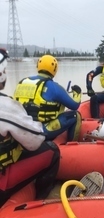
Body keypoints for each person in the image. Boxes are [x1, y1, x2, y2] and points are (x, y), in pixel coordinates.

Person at [0, 48, 60, 207]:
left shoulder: (21, 85)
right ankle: (40, 200)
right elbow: (35, 141)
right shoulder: (6, 107)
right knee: (52, 150)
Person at [13, 54, 82, 142]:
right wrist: (77, 94)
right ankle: (72, 147)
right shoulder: (54, 87)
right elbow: (74, 105)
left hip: (20, 127)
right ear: (55, 69)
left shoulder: (22, 82)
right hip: (41, 130)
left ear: (38, 66)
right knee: (75, 115)